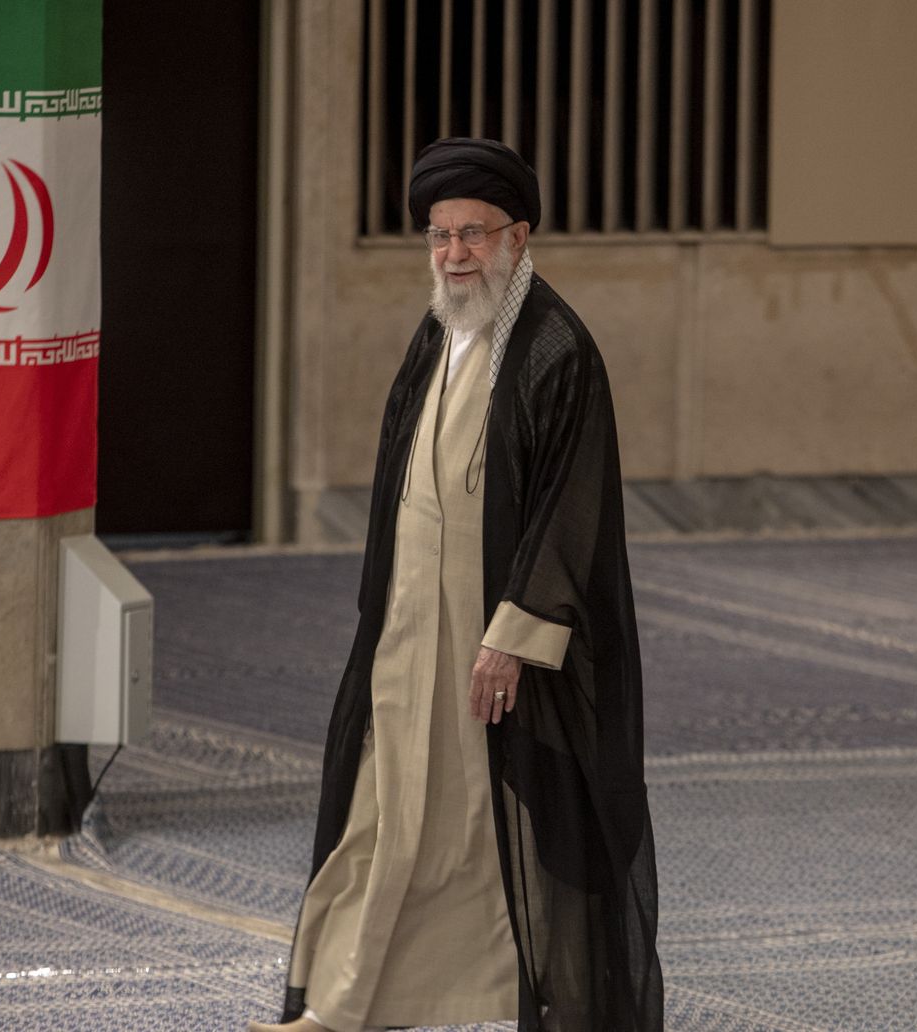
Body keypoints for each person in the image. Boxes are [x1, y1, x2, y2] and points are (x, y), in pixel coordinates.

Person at [254, 138, 661, 1032]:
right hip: (409, 631)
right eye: (439, 237)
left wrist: (511, 638)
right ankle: (345, 1003)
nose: (454, 255)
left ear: (519, 236)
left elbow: (573, 506)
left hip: (494, 643)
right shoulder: (439, 330)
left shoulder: (557, 348)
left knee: (487, 822)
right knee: (383, 804)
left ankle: (524, 1004)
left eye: (473, 234)